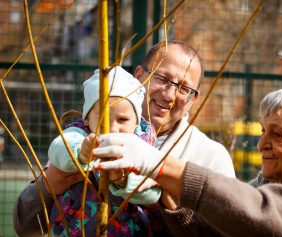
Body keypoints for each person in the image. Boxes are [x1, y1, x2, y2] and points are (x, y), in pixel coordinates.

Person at [13, 40, 236, 235]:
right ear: (138, 75)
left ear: (193, 99)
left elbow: (221, 232)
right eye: (161, 77)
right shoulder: (87, 133)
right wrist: (50, 183)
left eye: (184, 88)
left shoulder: (211, 157)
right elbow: (26, 226)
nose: (169, 94)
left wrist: (163, 200)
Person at [93, 86, 282, 236]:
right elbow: (211, 233)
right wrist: (163, 194)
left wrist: (159, 165)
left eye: (277, 134)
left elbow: (262, 214)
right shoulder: (266, 183)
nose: (261, 143)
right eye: (263, 131)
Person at [15, 66, 160, 237]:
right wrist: (81, 154)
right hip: (77, 227)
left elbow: (153, 193)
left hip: (130, 230)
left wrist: (125, 181)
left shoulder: (144, 144)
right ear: (87, 118)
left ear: (137, 121)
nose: (113, 128)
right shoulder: (79, 135)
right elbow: (58, 149)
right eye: (103, 118)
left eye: (123, 119)